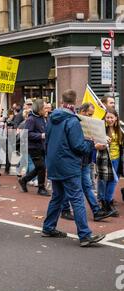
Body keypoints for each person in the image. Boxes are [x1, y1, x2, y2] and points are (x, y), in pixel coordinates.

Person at [42, 89, 105, 247]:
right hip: (69, 165)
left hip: (54, 163)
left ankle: (48, 227)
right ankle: (84, 235)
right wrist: (92, 144)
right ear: (75, 102)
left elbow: (47, 141)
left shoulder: (51, 118)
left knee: (57, 197)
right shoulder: (72, 120)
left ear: (62, 100)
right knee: (76, 198)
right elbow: (78, 146)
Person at [60, 103, 113, 222]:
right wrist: (95, 145)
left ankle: (96, 211)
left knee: (87, 186)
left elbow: (91, 139)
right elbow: (77, 144)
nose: (91, 117)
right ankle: (65, 210)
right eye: (89, 114)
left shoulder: (87, 122)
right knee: (71, 187)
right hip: (76, 160)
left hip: (85, 160)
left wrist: (103, 139)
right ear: (83, 111)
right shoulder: (74, 123)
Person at [18, 99, 50, 196]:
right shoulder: (31, 119)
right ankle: (41, 188)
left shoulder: (41, 117)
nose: (46, 110)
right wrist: (41, 136)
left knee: (39, 167)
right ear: (39, 108)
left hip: (41, 146)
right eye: (44, 108)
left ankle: (24, 180)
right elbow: (27, 134)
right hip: (33, 147)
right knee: (41, 167)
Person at [96, 108, 124, 217]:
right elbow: (95, 142)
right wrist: (102, 141)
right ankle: (103, 203)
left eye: (112, 117)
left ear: (116, 118)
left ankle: (108, 202)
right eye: (107, 117)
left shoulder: (120, 129)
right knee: (103, 181)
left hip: (116, 159)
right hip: (104, 159)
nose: (109, 119)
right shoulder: (101, 129)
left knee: (114, 180)